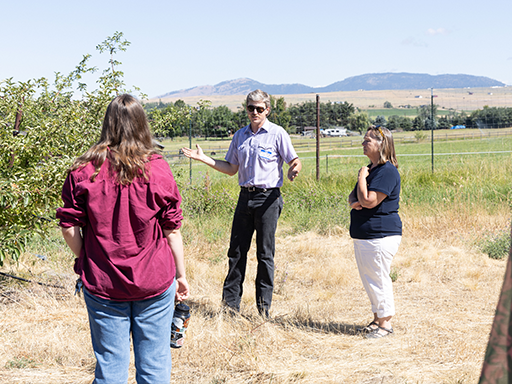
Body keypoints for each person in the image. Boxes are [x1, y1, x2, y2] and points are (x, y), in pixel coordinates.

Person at [56, 94, 189, 383]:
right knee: (154, 367)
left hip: (103, 285)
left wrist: (87, 259)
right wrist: (181, 275)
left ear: (108, 124)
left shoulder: (82, 171)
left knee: (110, 368)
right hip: (154, 280)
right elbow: (172, 230)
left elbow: (68, 227)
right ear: (142, 125)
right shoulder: (158, 168)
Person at [182, 89, 301, 318]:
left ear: (267, 109)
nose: (254, 112)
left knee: (265, 254)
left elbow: (293, 159)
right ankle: (230, 309)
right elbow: (231, 168)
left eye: (259, 108)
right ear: (246, 109)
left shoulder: (277, 134)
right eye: (250, 108)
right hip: (245, 197)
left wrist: (295, 168)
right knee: (236, 252)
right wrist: (205, 159)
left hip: (268, 199)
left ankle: (263, 311)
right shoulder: (240, 136)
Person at [348, 125, 402, 339]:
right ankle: (377, 318)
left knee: (379, 278)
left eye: (368, 140)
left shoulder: (386, 171)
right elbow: (353, 199)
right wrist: (357, 199)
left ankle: (386, 324)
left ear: (381, 144)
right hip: (365, 235)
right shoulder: (372, 169)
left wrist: (362, 177)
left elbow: (368, 201)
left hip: (380, 235)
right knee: (370, 278)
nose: (363, 143)